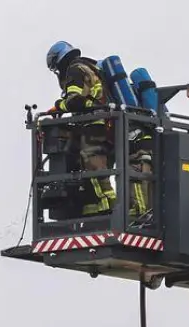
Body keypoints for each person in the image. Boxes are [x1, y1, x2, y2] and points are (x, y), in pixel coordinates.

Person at [44, 41, 116, 216]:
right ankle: (94, 209)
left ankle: (109, 210)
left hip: (94, 126)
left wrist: (58, 106)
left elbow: (75, 101)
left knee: (94, 169)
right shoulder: (89, 67)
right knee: (89, 168)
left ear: (59, 60)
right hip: (103, 125)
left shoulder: (74, 70)